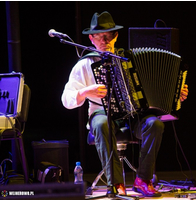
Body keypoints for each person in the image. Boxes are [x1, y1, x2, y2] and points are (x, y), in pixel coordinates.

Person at [61, 11, 188, 197]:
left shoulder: (129, 59)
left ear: (116, 36)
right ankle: (115, 183)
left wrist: (177, 95)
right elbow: (66, 99)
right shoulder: (85, 64)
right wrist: (85, 92)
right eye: (100, 37)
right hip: (102, 112)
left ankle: (143, 180)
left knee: (155, 124)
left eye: (108, 36)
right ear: (91, 38)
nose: (104, 41)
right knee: (102, 123)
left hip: (133, 115)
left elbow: (159, 87)